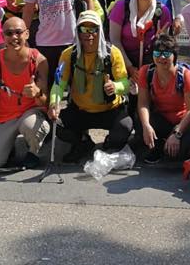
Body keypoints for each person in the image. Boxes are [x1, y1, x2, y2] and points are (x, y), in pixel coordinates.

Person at [49, 10, 132, 163]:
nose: (89, 34)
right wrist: (54, 103)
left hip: (109, 110)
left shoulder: (113, 53)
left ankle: (109, 144)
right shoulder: (68, 55)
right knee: (57, 124)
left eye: (93, 29)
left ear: (100, 30)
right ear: (78, 31)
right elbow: (58, 84)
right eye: (84, 29)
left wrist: (115, 86)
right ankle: (83, 143)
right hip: (81, 111)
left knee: (125, 127)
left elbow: (126, 84)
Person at [0, 16, 51, 169]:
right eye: (9, 33)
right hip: (4, 115)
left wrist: (36, 93)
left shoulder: (38, 60)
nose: (14, 37)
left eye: (18, 32)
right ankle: (8, 148)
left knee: (32, 127)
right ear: (3, 36)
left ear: (27, 34)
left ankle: (33, 151)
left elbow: (45, 102)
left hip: (30, 113)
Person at [135, 33, 190, 164]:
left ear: (174, 55)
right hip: (161, 119)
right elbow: (143, 103)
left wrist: (177, 134)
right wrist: (146, 126)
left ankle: (173, 145)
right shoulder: (146, 72)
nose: (161, 57)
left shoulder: (185, 76)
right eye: (157, 53)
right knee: (140, 120)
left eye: (166, 53)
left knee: (176, 157)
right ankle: (158, 147)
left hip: (183, 122)